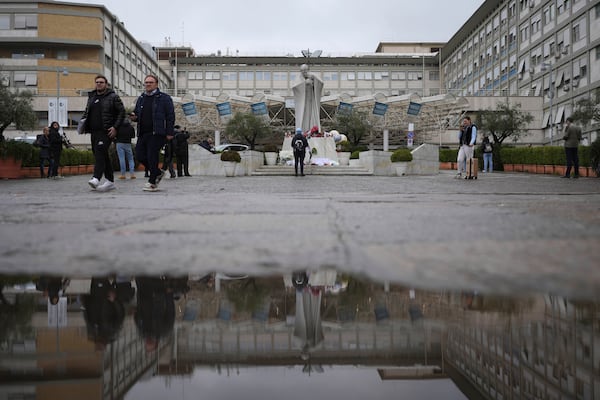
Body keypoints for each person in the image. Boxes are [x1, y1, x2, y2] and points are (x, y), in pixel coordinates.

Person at [81, 75, 126, 192]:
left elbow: (122, 112)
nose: (99, 84)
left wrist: (115, 127)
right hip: (93, 131)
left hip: (106, 131)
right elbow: (87, 112)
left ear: (106, 84)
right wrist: (83, 125)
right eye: (97, 82)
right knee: (101, 155)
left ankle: (96, 178)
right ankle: (110, 181)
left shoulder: (113, 97)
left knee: (100, 151)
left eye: (101, 82)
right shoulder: (92, 97)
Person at [131, 74, 175, 192]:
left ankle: (152, 182)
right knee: (140, 155)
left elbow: (170, 116)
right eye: (146, 82)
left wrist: (170, 132)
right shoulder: (141, 98)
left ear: (156, 84)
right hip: (142, 132)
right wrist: (134, 117)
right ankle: (156, 172)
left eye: (150, 82)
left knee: (152, 156)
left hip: (157, 132)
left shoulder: (164, 98)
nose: (148, 84)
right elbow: (137, 113)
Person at [292, 64, 323, 133]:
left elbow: (321, 83)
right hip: (303, 102)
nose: (304, 72)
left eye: (305, 71)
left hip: (311, 100)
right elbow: (294, 88)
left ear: (308, 70)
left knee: (311, 114)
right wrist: (304, 83)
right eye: (302, 71)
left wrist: (314, 79)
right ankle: (304, 129)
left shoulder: (313, 76)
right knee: (304, 115)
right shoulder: (298, 78)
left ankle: (312, 129)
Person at [115, 113, 137, 180]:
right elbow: (133, 136)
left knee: (122, 159)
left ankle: (123, 175)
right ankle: (132, 174)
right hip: (128, 144)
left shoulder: (118, 127)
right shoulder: (130, 127)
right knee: (130, 159)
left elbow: (115, 135)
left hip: (119, 143)